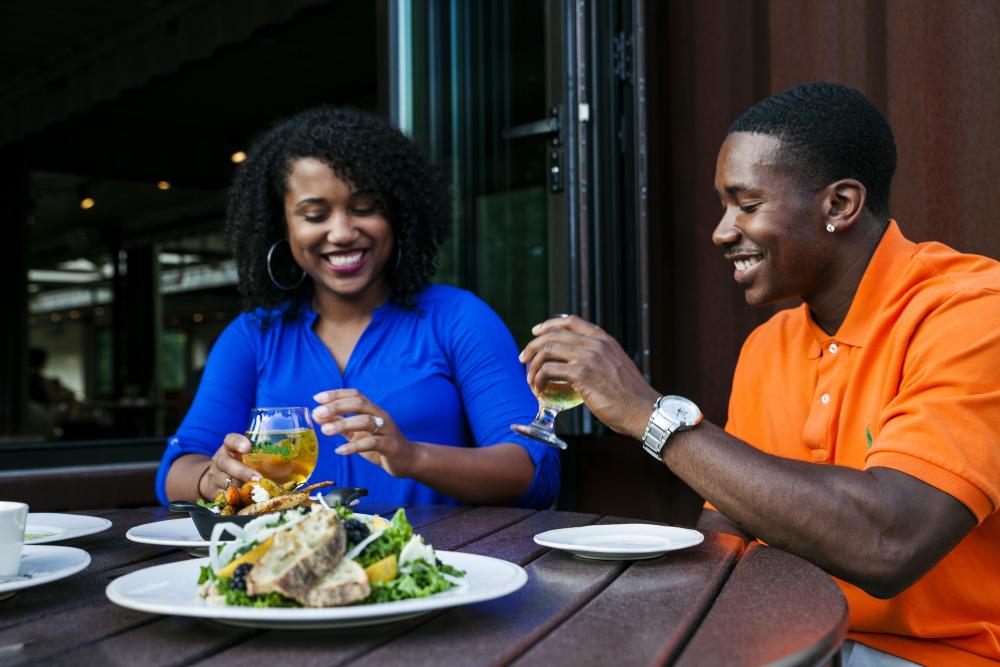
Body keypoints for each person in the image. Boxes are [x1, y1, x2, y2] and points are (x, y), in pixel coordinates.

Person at [520, 83, 999, 666]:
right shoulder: (768, 344)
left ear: (839, 205)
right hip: (786, 643)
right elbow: (729, 530)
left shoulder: (973, 314)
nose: (722, 231)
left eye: (746, 205)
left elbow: (890, 543)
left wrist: (650, 415)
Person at [157, 106, 558, 509]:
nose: (343, 232)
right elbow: (175, 472)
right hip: (295, 564)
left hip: (436, 565)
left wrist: (412, 456)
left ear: (396, 213)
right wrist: (212, 476)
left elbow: (532, 469)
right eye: (314, 214)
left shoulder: (457, 320)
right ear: (283, 226)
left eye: (365, 208)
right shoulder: (254, 337)